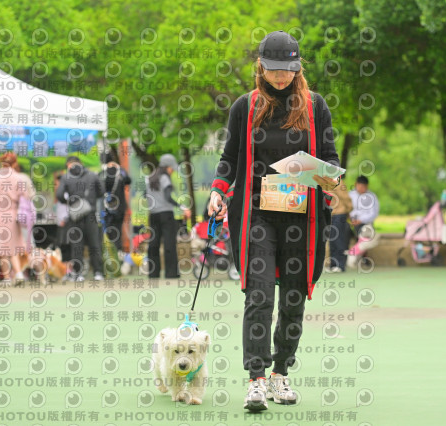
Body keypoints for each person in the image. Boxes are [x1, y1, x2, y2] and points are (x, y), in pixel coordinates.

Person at [207, 30, 340, 411]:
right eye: (273, 69)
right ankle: (256, 378)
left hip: (302, 215)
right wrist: (218, 190)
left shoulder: (315, 106)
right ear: (260, 67)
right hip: (256, 215)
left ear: (298, 68)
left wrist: (329, 179)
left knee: (293, 297)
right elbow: (229, 158)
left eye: (287, 69)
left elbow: (329, 157)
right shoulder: (244, 107)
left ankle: (281, 373)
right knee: (260, 295)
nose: (280, 76)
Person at [0, 152, 35, 286]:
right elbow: (26, 196)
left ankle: (6, 278)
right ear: (14, 163)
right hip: (13, 215)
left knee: (2, 250)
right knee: (14, 248)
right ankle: (19, 274)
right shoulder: (18, 177)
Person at [55, 156, 104, 282]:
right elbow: (102, 191)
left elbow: (59, 194)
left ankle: (78, 273)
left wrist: (69, 202)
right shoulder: (92, 175)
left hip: (75, 215)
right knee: (94, 243)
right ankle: (98, 272)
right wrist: (91, 200)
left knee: (77, 244)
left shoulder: (66, 177)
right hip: (91, 213)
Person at [144, 153, 191, 279]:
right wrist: (182, 207)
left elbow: (145, 195)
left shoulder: (150, 178)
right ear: (167, 167)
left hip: (153, 215)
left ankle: (153, 273)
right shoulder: (164, 178)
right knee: (169, 243)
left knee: (154, 243)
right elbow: (168, 196)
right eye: (171, 168)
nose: (172, 171)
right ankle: (171, 273)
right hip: (166, 214)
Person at [100, 155, 131, 253]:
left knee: (107, 229)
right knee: (118, 229)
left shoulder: (103, 173)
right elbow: (128, 180)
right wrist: (120, 168)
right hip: (120, 207)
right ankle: (118, 250)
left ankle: (109, 252)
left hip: (107, 207)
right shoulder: (120, 172)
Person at [327, 174, 353, 272]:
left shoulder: (337, 181)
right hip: (331, 214)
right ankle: (333, 264)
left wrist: (349, 210)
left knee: (339, 240)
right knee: (332, 240)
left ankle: (340, 265)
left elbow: (345, 198)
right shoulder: (325, 181)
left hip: (339, 214)